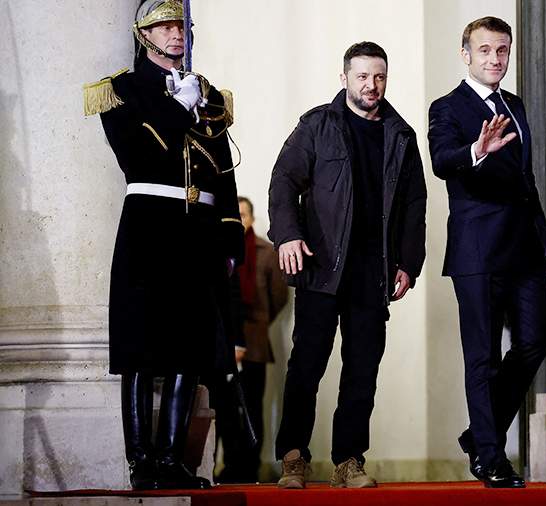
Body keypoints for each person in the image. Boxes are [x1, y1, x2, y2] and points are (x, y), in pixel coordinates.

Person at [84, 0, 242, 490]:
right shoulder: (121, 90)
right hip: (149, 227)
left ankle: (172, 459)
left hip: (199, 232)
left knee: (189, 347)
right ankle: (141, 463)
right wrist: (178, 107)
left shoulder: (209, 94)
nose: (176, 34)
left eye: (181, 25)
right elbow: (137, 156)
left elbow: (224, 173)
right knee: (140, 346)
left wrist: (230, 234)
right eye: (165, 26)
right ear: (144, 34)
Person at [268, 41, 427, 489]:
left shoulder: (401, 135)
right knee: (307, 366)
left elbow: (415, 205)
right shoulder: (317, 125)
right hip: (320, 268)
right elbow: (283, 181)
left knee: (362, 371)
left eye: (379, 77)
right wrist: (288, 234)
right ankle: (294, 457)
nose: (371, 85)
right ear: (344, 78)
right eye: (362, 76)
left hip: (373, 274)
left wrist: (408, 263)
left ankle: (349, 461)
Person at [428, 16, 546, 489]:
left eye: (502, 50)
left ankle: (478, 436)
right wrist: (476, 151)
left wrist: (544, 243)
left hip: (524, 250)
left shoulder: (514, 104)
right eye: (484, 50)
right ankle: (490, 454)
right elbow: (442, 160)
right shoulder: (447, 107)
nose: (495, 59)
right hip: (477, 251)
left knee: (535, 341)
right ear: (466, 54)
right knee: (481, 356)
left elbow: (527, 181)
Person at [216, 196, 289, 483]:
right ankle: (227, 465)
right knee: (224, 408)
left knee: (252, 408)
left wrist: (258, 324)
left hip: (255, 344)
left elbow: (279, 297)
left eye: (244, 214)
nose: (240, 219)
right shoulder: (221, 250)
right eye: (236, 215)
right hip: (223, 344)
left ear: (252, 218)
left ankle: (250, 466)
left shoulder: (267, 252)